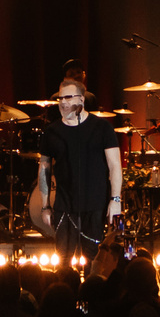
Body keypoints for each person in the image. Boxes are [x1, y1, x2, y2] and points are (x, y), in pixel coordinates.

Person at [36, 78, 121, 259]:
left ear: (81, 100)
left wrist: (115, 199)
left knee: (94, 261)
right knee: (63, 263)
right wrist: (45, 206)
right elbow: (44, 170)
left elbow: (115, 166)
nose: (63, 102)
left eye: (68, 97)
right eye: (60, 98)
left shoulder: (102, 128)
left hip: (95, 206)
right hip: (64, 207)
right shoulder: (52, 132)